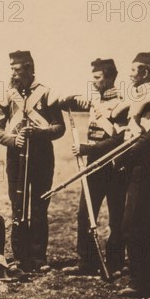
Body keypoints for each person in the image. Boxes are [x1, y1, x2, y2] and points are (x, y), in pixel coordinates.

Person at [84, 52, 150, 297]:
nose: (129, 74)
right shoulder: (140, 96)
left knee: (132, 223)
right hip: (136, 165)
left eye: (134, 70)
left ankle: (144, 283)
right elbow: (132, 134)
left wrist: (125, 157)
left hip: (144, 166)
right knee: (142, 223)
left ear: (145, 74)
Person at [0, 50, 65, 273]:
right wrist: (13, 140)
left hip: (42, 157)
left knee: (40, 206)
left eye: (17, 68)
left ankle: (39, 257)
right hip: (15, 157)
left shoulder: (46, 93)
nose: (13, 72)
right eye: (11, 68)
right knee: (18, 205)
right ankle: (20, 256)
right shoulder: (6, 95)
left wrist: (38, 133)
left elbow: (59, 127)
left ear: (29, 68)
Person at [58, 58, 127, 275]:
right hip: (94, 167)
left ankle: (115, 263)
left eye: (97, 77)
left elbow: (120, 139)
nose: (94, 81)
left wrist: (87, 149)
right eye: (93, 77)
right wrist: (71, 100)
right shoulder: (95, 100)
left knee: (117, 216)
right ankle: (87, 262)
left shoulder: (122, 104)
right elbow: (64, 103)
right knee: (85, 213)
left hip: (115, 166)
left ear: (109, 78)